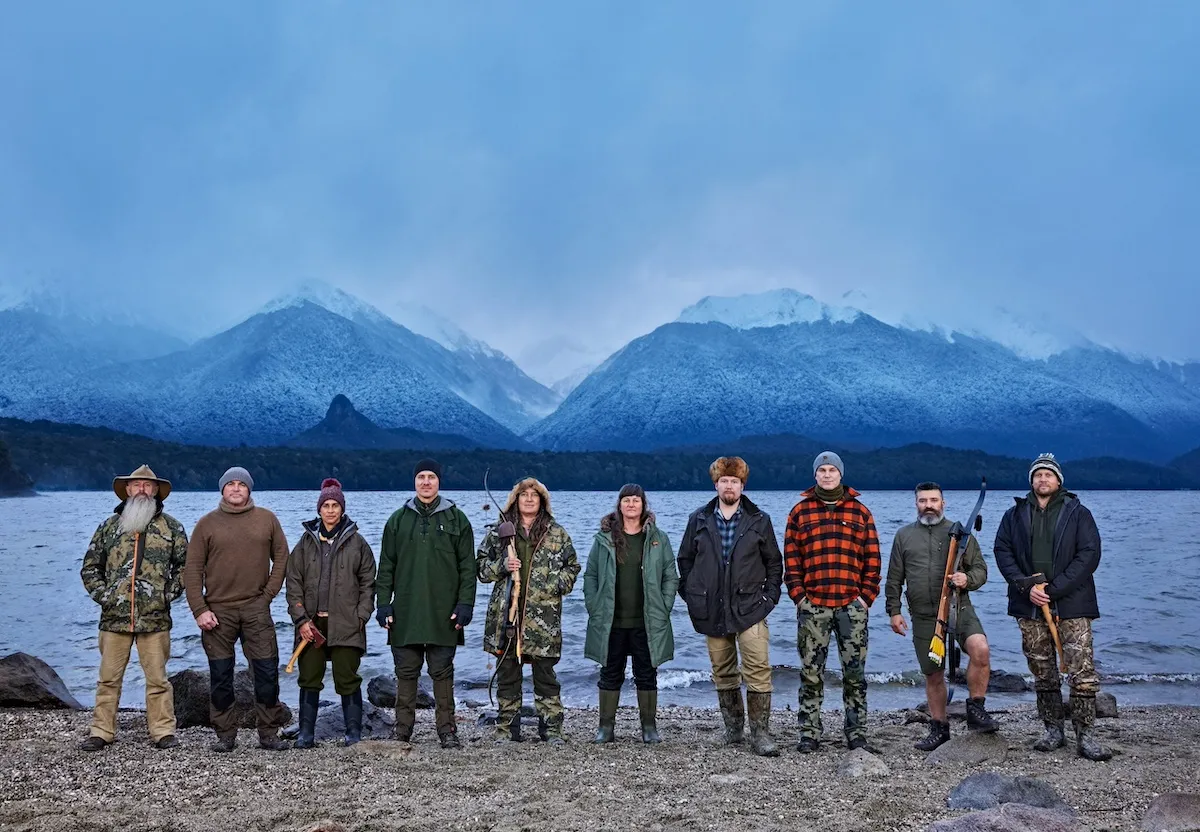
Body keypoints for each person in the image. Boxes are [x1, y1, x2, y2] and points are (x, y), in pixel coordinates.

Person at [994, 453, 1111, 761]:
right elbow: (1002, 551)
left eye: (1048, 475)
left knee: (1081, 670)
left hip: (1072, 603)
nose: (1042, 479)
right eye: (1037, 475)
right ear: (1031, 480)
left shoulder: (1078, 513)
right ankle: (1053, 730)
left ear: (1059, 480)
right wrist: (1026, 586)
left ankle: (1085, 735)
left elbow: (1089, 554)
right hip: (1029, 604)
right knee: (1042, 669)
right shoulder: (1014, 514)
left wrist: (1054, 590)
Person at [677, 457, 783, 757]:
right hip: (711, 609)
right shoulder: (698, 519)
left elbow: (774, 563)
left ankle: (760, 733)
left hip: (751, 608)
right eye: (724, 481)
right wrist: (694, 595)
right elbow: (684, 562)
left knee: (758, 668)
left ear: (742, 485)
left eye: (734, 481)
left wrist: (770, 598)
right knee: (722, 670)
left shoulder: (759, 519)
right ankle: (733, 729)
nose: (729, 486)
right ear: (716, 484)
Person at [79, 465, 189, 751]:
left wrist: (167, 594)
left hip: (155, 619)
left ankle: (163, 731)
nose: (142, 489)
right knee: (108, 679)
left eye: (147, 486)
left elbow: (185, 567)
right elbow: (90, 567)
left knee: (158, 680)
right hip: (113, 619)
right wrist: (105, 596)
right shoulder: (108, 527)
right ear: (127, 490)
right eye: (136, 485)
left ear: (155, 491)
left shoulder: (172, 527)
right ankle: (101, 731)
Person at [886, 482, 999, 751]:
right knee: (933, 673)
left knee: (980, 650)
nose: (928, 505)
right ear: (916, 503)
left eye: (934, 500)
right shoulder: (903, 536)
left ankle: (976, 709)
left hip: (959, 608)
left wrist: (966, 578)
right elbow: (894, 578)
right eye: (923, 500)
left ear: (943, 503)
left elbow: (981, 571)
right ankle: (939, 727)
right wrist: (894, 611)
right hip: (924, 615)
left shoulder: (961, 534)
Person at [184, 466, 291, 752]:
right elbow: (192, 570)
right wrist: (199, 609)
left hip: (256, 608)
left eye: (241, 484)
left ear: (249, 489)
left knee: (266, 671)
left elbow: (281, 557)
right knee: (221, 675)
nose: (235, 488)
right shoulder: (206, 525)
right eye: (230, 484)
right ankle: (225, 735)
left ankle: (268, 733)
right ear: (222, 489)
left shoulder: (267, 520)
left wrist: (268, 594)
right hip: (217, 612)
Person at [783, 451, 881, 753]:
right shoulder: (800, 512)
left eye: (832, 470)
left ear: (841, 474)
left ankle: (856, 733)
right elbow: (792, 560)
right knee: (811, 673)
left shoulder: (860, 512)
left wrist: (865, 598)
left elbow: (873, 560)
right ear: (815, 475)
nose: (827, 475)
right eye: (822, 470)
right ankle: (810, 733)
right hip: (814, 606)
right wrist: (799, 598)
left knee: (855, 675)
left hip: (851, 606)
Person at [375, 459, 476, 748]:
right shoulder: (397, 520)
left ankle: (447, 730)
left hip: (444, 611)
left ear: (439, 481)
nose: (426, 482)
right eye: (421, 477)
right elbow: (387, 566)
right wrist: (383, 604)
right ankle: (402, 729)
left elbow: (468, 567)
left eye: (431, 477)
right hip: (405, 609)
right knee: (405, 672)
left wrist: (465, 604)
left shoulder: (458, 519)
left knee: (442, 673)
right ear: (414, 481)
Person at [478, 476, 580, 745]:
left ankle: (552, 730)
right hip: (506, 616)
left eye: (535, 495)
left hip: (543, 618)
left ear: (543, 500)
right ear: (516, 498)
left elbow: (573, 567)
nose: (529, 498)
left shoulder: (556, 533)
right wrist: (502, 565)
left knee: (545, 676)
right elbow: (480, 568)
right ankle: (506, 730)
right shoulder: (501, 530)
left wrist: (558, 584)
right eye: (524, 494)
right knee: (507, 673)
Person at [583, 484, 678, 744]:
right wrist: (594, 605)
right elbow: (590, 575)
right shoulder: (603, 539)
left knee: (646, 673)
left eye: (636, 500)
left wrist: (664, 605)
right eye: (627, 500)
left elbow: (671, 576)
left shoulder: (658, 538)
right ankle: (606, 728)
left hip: (646, 620)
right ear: (620, 505)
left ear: (643, 505)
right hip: (611, 620)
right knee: (610, 672)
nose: (631, 505)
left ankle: (649, 727)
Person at [285, 478, 376, 748]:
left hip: (347, 623)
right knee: (309, 678)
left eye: (335, 505)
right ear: (319, 509)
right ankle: (306, 734)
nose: (331, 510)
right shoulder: (304, 543)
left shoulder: (357, 543)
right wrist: (300, 619)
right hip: (310, 625)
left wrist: (361, 616)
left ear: (342, 508)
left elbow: (368, 583)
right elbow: (293, 583)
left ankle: (353, 733)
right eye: (326, 505)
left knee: (347, 679)